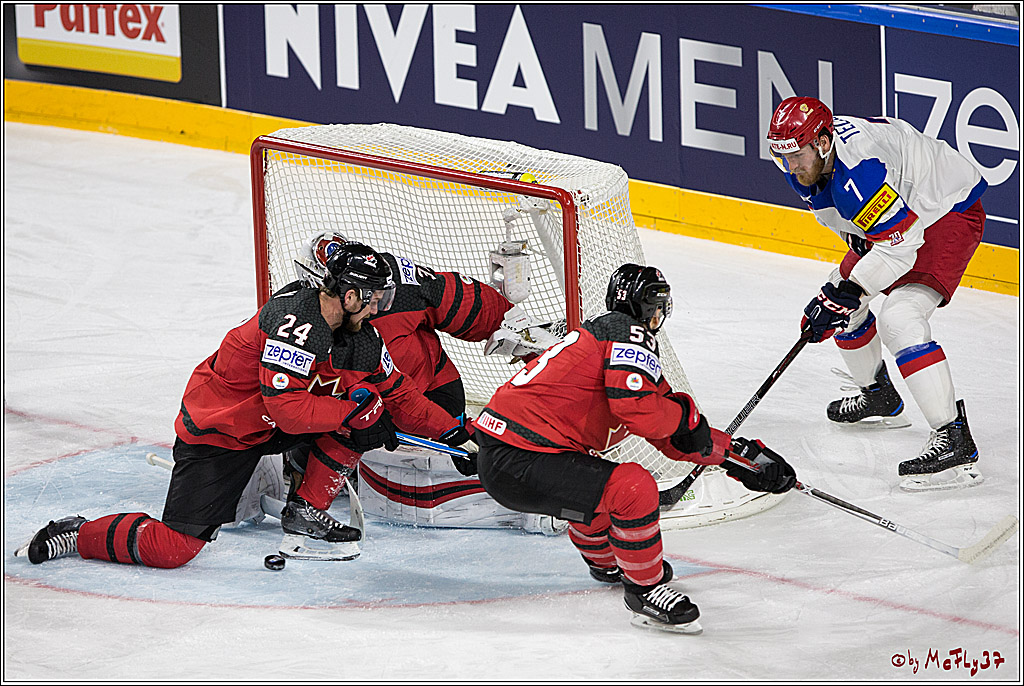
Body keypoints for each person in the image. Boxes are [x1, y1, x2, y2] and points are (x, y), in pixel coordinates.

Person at [17, 242, 474, 567]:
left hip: (271, 421)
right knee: (173, 548)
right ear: (350, 295)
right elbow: (289, 411)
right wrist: (357, 413)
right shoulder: (295, 322)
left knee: (369, 407)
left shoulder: (360, 333)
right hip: (222, 430)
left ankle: (306, 510)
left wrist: (453, 431)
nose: (383, 307)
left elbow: (398, 392)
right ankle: (80, 534)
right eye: (377, 297)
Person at [471, 264, 797, 633]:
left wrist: (741, 459)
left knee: (598, 489)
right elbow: (641, 411)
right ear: (644, 307)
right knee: (631, 488)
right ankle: (645, 592)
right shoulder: (627, 334)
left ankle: (607, 563)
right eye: (657, 304)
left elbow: (668, 433)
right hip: (522, 459)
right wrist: (685, 420)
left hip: (509, 459)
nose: (660, 314)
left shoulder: (607, 340)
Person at [766, 96, 986, 492]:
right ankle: (879, 394)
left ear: (822, 142)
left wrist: (853, 288)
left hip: (946, 211)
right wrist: (843, 292)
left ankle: (955, 439)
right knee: (838, 300)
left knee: (900, 318)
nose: (791, 167)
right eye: (782, 157)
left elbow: (902, 243)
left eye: (797, 155)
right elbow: (854, 220)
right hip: (899, 215)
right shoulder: (806, 162)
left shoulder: (859, 170)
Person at [289, 231, 566, 534]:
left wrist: (511, 324)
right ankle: (309, 495)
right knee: (342, 421)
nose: (375, 304)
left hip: (432, 390)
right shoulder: (301, 322)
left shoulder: (398, 285)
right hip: (374, 401)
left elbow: (451, 298)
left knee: (468, 451)